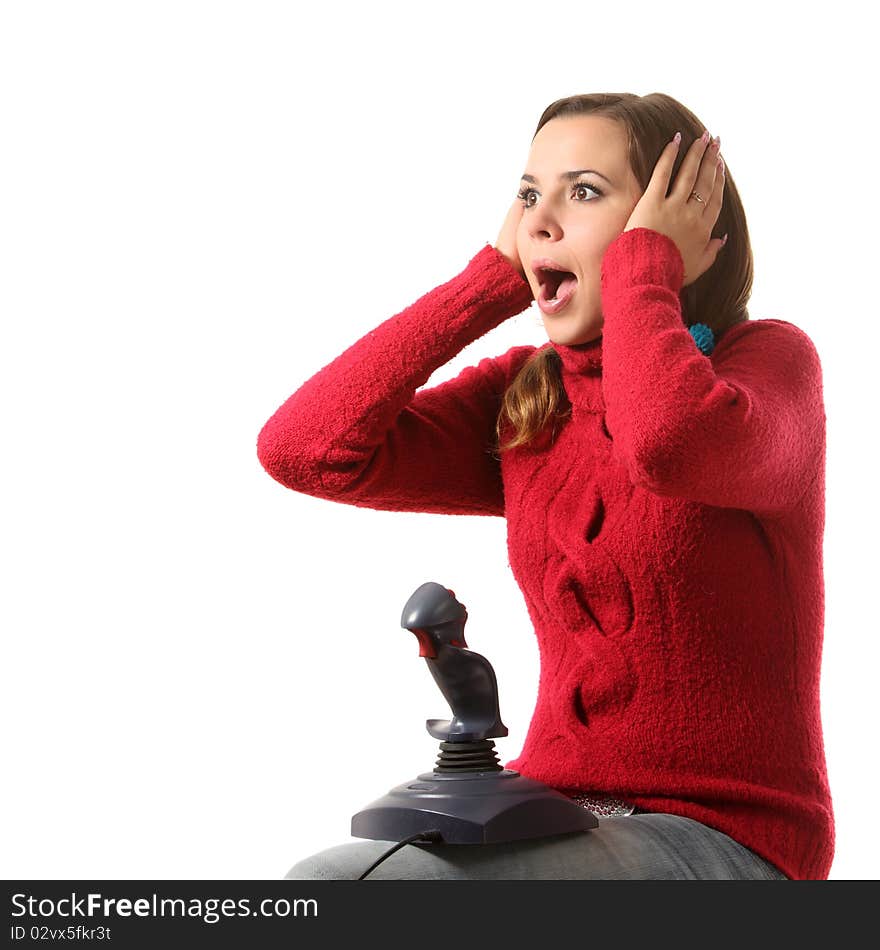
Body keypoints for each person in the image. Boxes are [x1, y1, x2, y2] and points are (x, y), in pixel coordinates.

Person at [256, 92, 832, 880]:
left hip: (730, 838)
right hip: (552, 812)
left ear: (687, 225)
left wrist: (643, 270)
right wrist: (488, 283)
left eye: (584, 192)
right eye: (529, 195)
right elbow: (305, 450)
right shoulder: (533, 396)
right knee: (329, 881)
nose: (539, 221)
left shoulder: (767, 368)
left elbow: (666, 445)